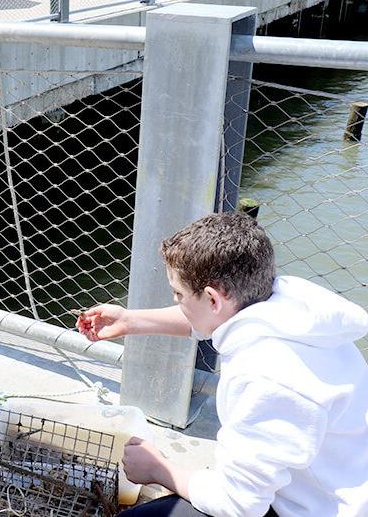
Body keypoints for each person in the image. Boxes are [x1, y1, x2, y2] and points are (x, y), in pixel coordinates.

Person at [76, 212, 368, 517]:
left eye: (179, 294)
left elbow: (239, 505)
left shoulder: (265, 377)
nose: (177, 302)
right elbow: (208, 320)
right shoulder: (288, 310)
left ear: (213, 299)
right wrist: (129, 320)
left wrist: (159, 469)